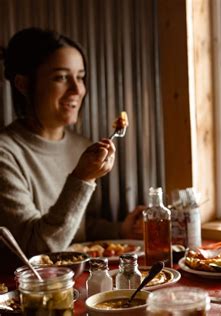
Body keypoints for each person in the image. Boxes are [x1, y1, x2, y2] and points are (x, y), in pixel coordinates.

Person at [0, 27, 144, 263]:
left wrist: (121, 232)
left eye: (80, 76)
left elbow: (79, 229)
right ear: (23, 84)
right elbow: (36, 250)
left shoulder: (81, 147)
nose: (77, 90)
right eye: (61, 77)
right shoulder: (6, 154)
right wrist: (82, 179)